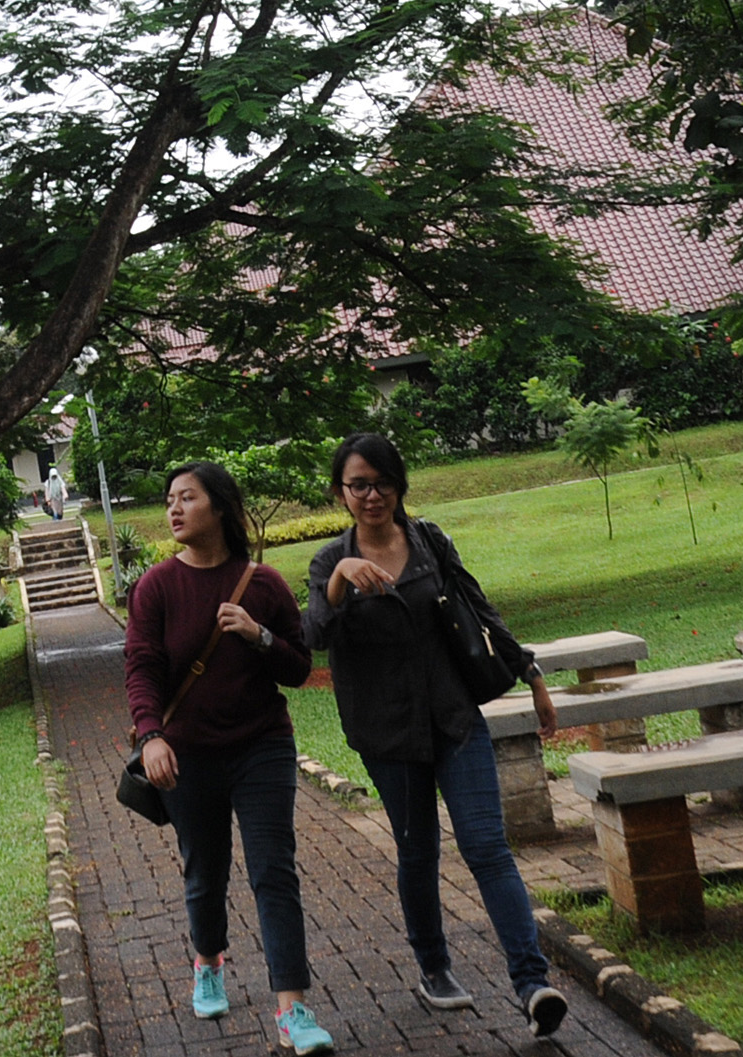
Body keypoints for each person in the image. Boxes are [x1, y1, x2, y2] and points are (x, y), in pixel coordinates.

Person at [301, 433, 574, 1039]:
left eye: (383, 482)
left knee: (486, 845)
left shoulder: (428, 541)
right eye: (358, 484)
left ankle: (532, 983)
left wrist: (529, 672)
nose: (372, 495)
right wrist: (343, 578)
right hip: (386, 729)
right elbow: (314, 634)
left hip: (452, 718)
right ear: (341, 492)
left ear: (399, 484)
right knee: (418, 850)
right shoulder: (329, 561)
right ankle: (434, 967)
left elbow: (478, 607)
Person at [124, 461, 334, 1054]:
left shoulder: (261, 584)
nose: (173, 509)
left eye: (187, 498)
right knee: (205, 867)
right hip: (186, 754)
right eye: (169, 499)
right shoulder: (156, 587)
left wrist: (257, 634)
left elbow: (298, 667)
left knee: (274, 870)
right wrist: (150, 736)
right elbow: (140, 667)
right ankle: (208, 960)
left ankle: (293, 1008)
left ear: (219, 507)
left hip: (261, 745)